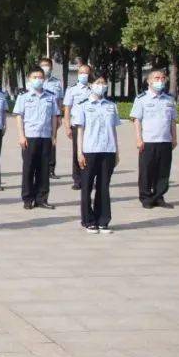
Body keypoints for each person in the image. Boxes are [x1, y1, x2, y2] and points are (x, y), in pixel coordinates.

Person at [73, 75, 120, 234]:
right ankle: (88, 220)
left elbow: (113, 129)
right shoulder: (83, 105)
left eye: (104, 82)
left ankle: (103, 220)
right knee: (86, 186)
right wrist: (79, 152)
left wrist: (117, 151)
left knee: (103, 186)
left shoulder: (111, 105)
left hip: (108, 150)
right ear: (91, 85)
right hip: (89, 150)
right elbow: (80, 130)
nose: (102, 85)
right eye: (98, 83)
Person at [13, 67, 60, 210]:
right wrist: (21, 135)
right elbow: (19, 116)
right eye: (35, 77)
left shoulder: (50, 97)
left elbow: (54, 118)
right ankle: (28, 198)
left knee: (44, 169)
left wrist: (53, 136)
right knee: (28, 168)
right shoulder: (24, 97)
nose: (38, 79)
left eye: (40, 77)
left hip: (45, 137)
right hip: (29, 137)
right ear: (29, 79)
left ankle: (42, 198)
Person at [131, 69, 177, 209]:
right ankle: (146, 197)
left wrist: (174, 137)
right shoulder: (141, 99)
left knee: (163, 171)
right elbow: (137, 120)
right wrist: (139, 139)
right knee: (146, 170)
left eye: (163, 78)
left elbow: (173, 120)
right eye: (156, 78)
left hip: (165, 140)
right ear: (149, 81)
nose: (160, 81)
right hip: (149, 140)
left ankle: (159, 197)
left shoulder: (169, 99)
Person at [62, 64, 94, 189]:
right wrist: (67, 126)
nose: (83, 75)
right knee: (77, 152)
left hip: (91, 126)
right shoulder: (71, 89)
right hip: (76, 125)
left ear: (90, 74)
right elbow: (67, 109)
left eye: (86, 73)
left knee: (90, 152)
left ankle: (89, 178)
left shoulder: (93, 89)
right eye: (81, 73)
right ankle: (77, 179)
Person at [40, 57, 64, 179]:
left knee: (52, 141)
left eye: (47, 65)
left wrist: (59, 116)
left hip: (53, 116)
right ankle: (40, 168)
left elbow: (59, 100)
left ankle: (50, 169)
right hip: (39, 117)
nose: (45, 68)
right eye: (43, 65)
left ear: (51, 67)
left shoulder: (57, 83)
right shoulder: (36, 80)